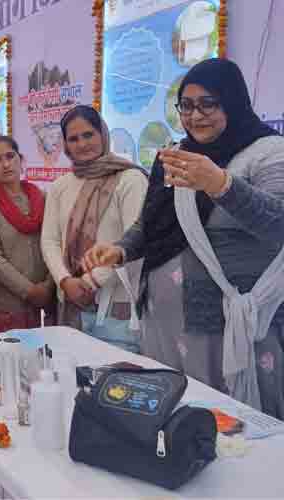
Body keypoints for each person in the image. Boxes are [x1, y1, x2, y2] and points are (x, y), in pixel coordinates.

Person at [84, 58, 284, 416]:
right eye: (186, 106)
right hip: (163, 321)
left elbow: (278, 225)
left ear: (233, 101)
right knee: (175, 418)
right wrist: (120, 250)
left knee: (232, 424)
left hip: (225, 324)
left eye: (208, 104)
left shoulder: (268, 153)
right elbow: (151, 223)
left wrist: (221, 185)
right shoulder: (177, 155)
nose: (195, 116)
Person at [40, 105, 147, 353]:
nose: (82, 144)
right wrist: (65, 281)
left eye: (88, 134)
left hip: (114, 306)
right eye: (73, 139)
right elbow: (50, 241)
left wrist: (89, 282)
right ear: (65, 145)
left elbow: (135, 241)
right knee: (70, 371)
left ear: (103, 134)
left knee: (114, 373)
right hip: (70, 302)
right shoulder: (60, 186)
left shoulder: (130, 180)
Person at [0, 136, 55, 331]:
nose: (6, 164)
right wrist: (30, 291)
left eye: (10, 156)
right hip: (5, 307)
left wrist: (48, 286)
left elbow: (55, 243)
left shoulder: (41, 198)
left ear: (20, 159)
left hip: (45, 302)